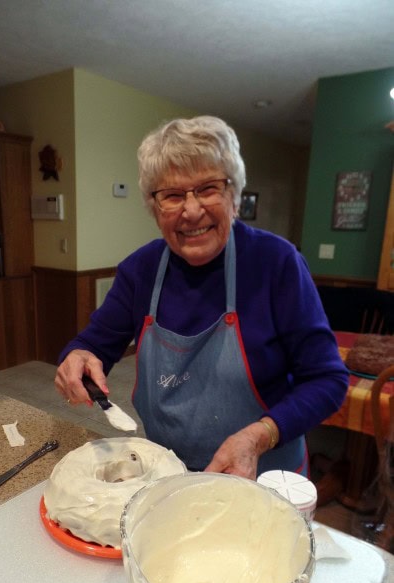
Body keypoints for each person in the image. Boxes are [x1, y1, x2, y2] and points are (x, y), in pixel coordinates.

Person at [55, 116, 348, 479]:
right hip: (170, 475)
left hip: (264, 477)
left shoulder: (277, 263)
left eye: (208, 188)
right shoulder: (140, 270)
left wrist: (260, 435)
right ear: (154, 206)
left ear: (234, 195)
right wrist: (77, 358)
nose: (191, 211)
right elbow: (91, 346)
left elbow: (328, 381)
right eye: (173, 195)